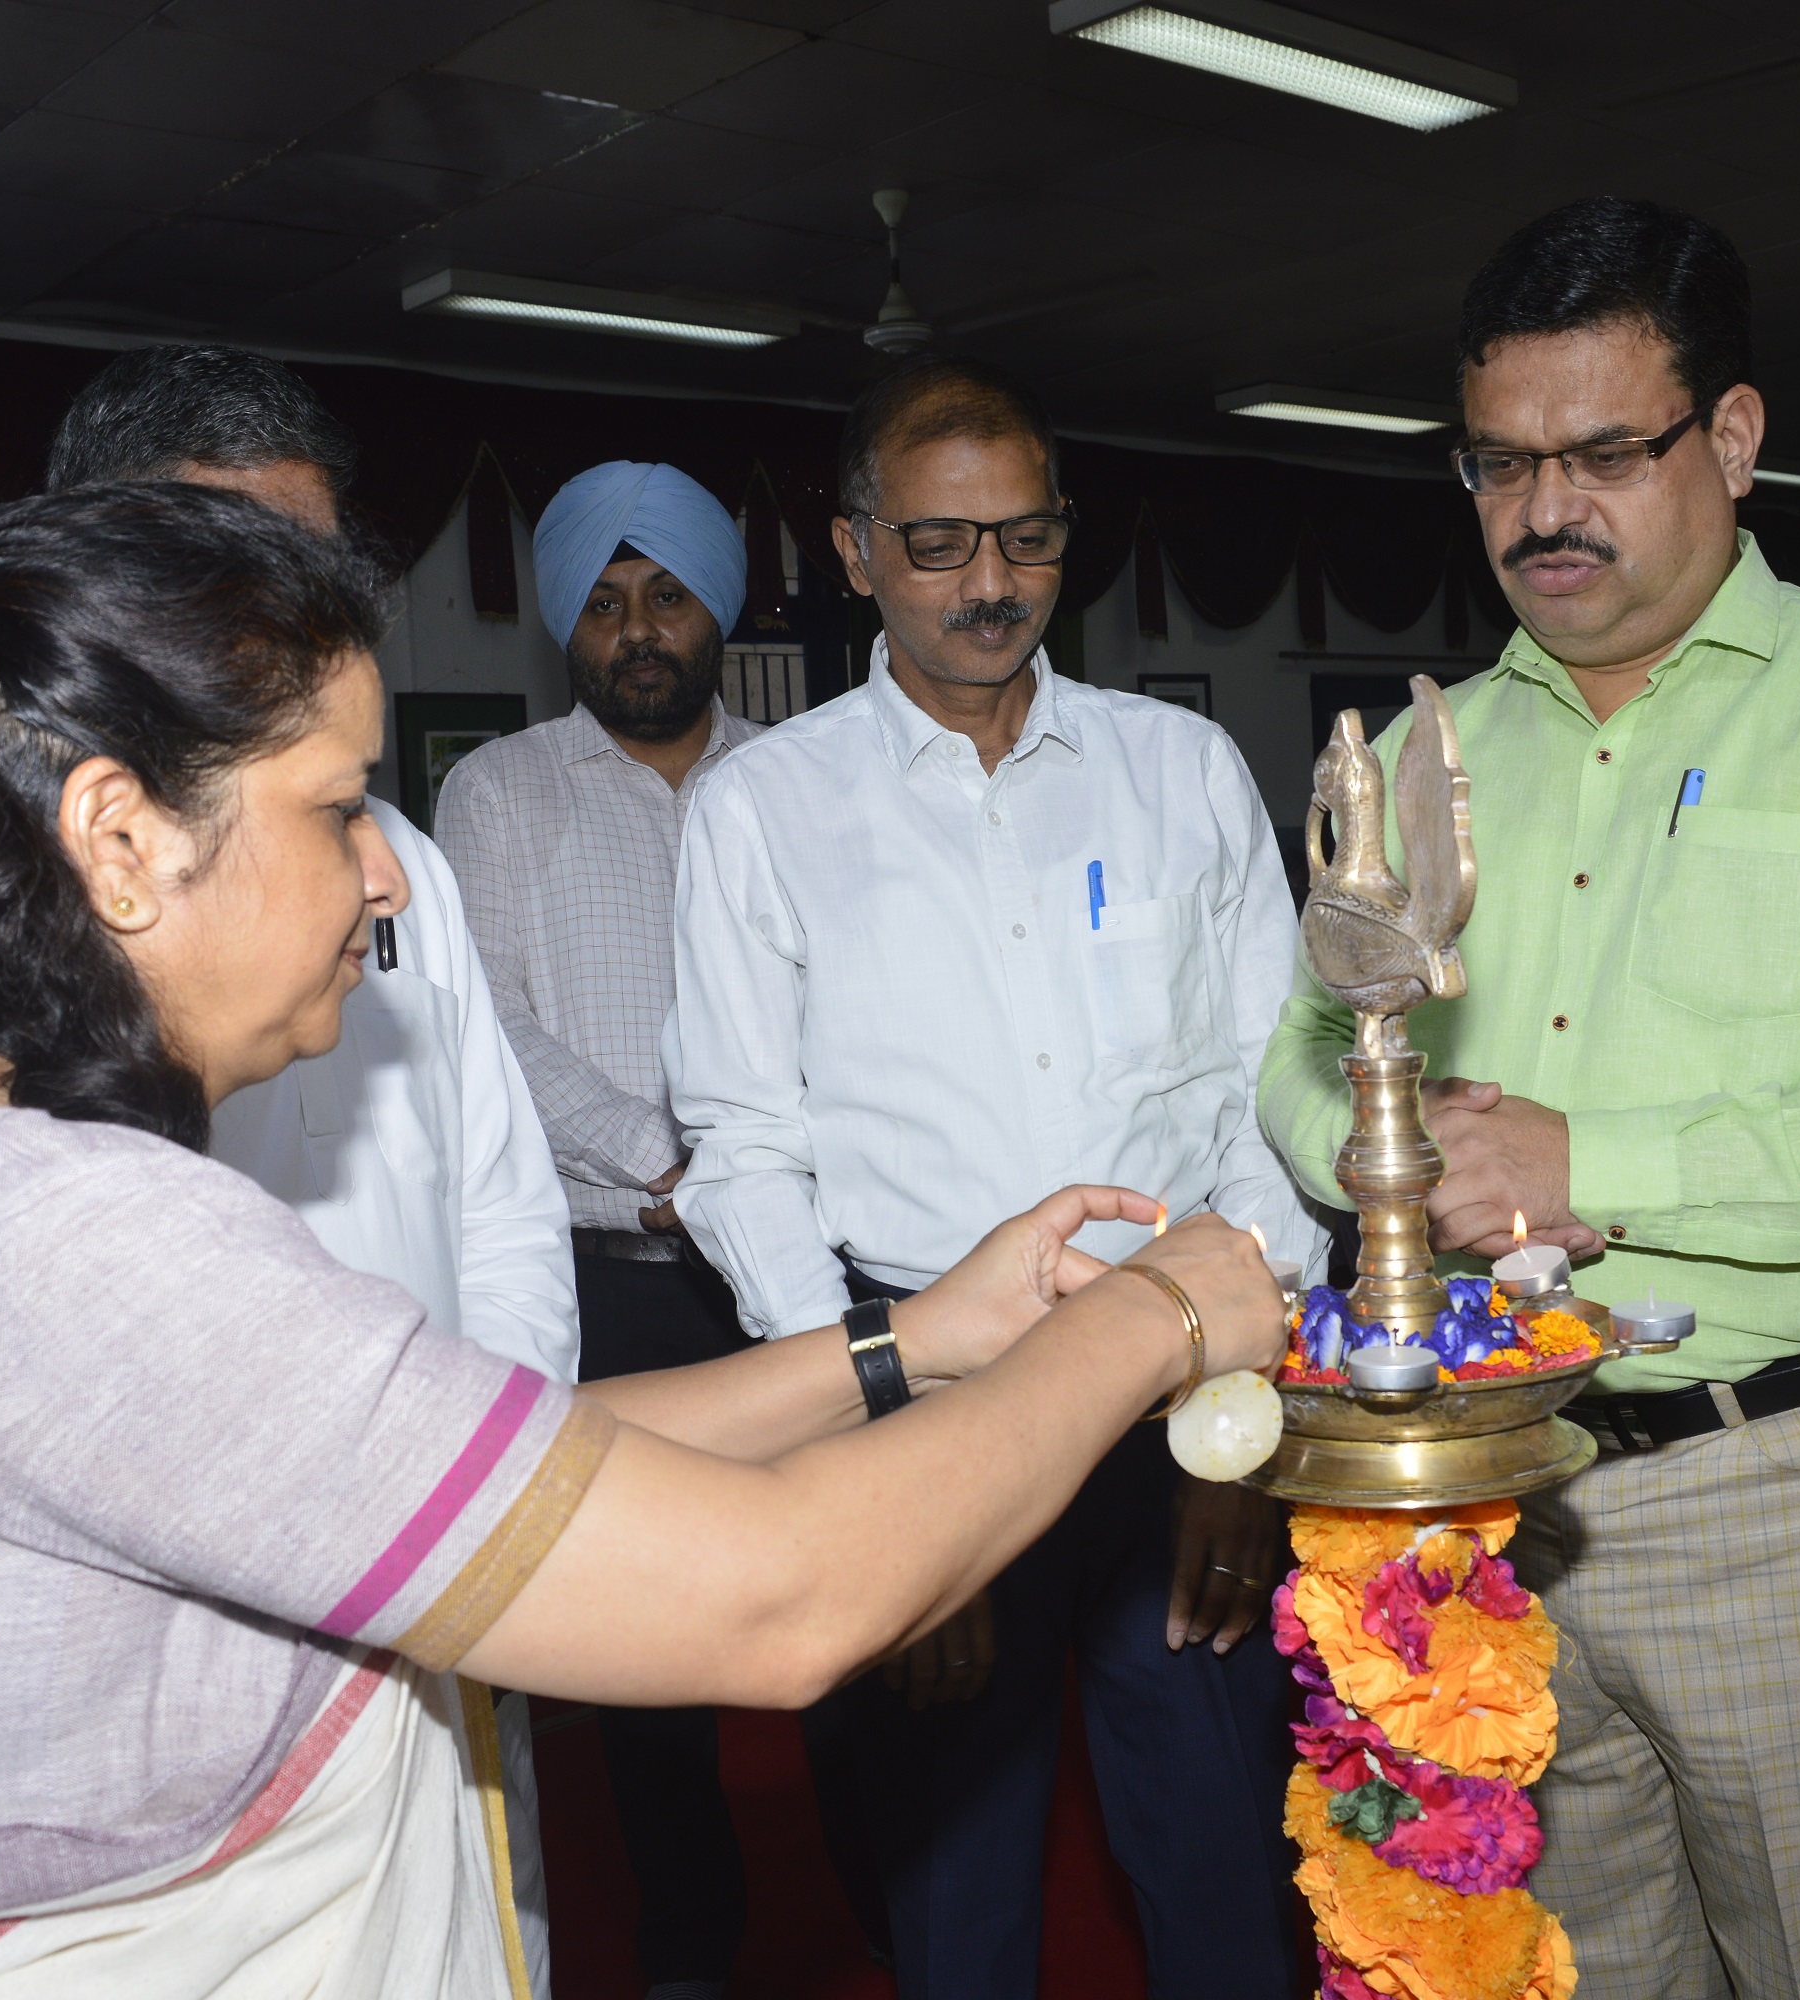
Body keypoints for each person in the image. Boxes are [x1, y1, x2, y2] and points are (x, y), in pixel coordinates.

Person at [0, 482, 1285, 1999]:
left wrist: (915, 1339)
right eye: (338, 807)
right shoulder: (63, 1252)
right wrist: (1141, 1318)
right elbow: (782, 1603)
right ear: (121, 838)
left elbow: (512, 1460)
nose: (385, 881)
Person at [1260, 197, 1800, 1999]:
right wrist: (1378, 1148)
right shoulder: (1431, 751)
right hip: (1499, 1509)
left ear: (1728, 436)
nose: (1540, 510)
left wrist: (1599, 1161)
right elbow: (1300, 1045)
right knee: (1568, 1973)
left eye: (1599, 453)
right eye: (1497, 464)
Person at [666, 354, 1328, 2000]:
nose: (988, 585)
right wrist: (895, 1467)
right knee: (953, 1915)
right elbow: (744, 1147)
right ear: (852, 549)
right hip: (930, 1391)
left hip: (1180, 1391)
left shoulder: (1175, 775)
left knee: (1227, 1880)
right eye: (941, 545)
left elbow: (1274, 1104)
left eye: (1024, 542)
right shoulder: (765, 808)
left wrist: (1242, 1427)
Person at [47, 342, 581, 1986]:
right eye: (237, 568)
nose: (292, 617)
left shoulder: (392, 857)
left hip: (446, 1549)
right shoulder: (32, 913)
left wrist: (506, 1501)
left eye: (319, 572)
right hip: (190, 1640)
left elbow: (497, 1194)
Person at [434, 460, 769, 2000]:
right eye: (606, 604)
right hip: (614, 1285)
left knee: (873, 1607)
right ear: (569, 626)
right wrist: (673, 1163)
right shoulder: (498, 795)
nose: (638, 630)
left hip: (799, 1278)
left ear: (721, 609)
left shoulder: (799, 779)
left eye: (668, 597)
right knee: (647, 1662)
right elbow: (489, 1029)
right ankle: (694, 1947)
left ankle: (904, 1905)